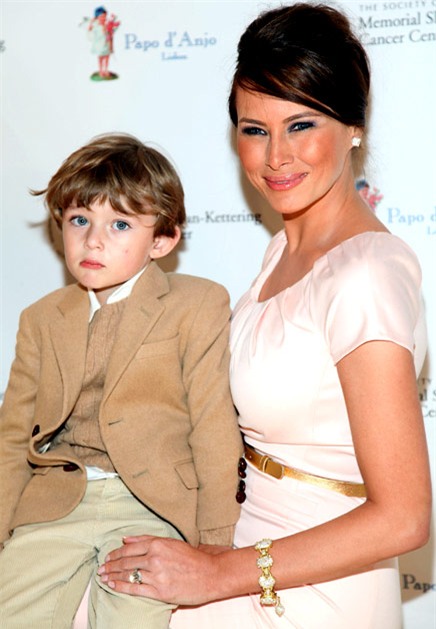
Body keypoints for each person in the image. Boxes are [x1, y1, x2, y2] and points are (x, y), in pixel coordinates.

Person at [98, 4, 431, 628]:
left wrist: (219, 573)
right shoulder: (284, 248)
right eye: (255, 130)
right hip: (250, 545)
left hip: (318, 587)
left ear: (353, 126)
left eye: (300, 125)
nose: (276, 157)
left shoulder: (364, 275)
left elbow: (405, 517)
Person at [0, 133, 242, 628]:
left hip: (153, 506)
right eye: (80, 220)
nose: (93, 240)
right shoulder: (41, 318)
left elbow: (213, 425)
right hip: (55, 502)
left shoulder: (198, 303)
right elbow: (12, 435)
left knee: (131, 617)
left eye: (120, 224)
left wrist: (216, 541)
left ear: (162, 240)